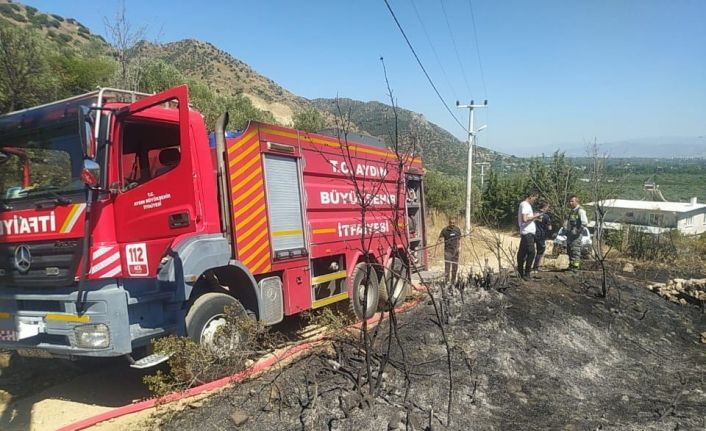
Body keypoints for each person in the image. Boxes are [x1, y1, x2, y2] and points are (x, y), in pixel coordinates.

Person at [517, 190, 542, 281]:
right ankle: (526, 273)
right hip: (527, 232)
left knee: (522, 253)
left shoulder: (525, 205)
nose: (535, 200)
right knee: (531, 252)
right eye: (535, 198)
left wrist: (534, 216)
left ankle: (520, 272)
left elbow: (527, 218)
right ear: (531, 196)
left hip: (527, 232)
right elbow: (524, 219)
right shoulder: (525, 205)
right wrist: (535, 216)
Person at [566, 195, 588, 271]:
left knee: (575, 251)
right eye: (569, 201)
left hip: (576, 236)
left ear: (577, 202)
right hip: (570, 235)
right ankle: (571, 266)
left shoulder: (580, 210)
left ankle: (575, 268)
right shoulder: (572, 211)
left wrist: (578, 232)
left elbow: (584, 223)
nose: (570, 203)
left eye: (572, 201)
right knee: (570, 251)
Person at [437, 217, 462, 284]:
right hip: (447, 251)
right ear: (449, 222)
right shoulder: (445, 230)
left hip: (456, 251)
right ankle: (447, 281)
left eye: (454, 223)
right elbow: (440, 238)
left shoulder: (457, 229)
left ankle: (453, 281)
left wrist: (460, 247)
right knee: (447, 267)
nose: (452, 224)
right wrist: (440, 240)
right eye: (451, 223)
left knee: (455, 267)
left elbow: (459, 239)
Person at [532, 202, 552, 271]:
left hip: (532, 234)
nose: (548, 208)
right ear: (544, 207)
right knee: (540, 251)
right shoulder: (546, 216)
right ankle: (535, 268)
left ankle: (525, 267)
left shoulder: (534, 214)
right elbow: (549, 228)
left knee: (529, 251)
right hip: (541, 235)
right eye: (547, 207)